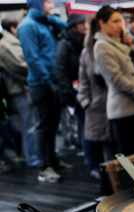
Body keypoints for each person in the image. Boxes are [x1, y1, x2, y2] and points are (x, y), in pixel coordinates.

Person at [18, 0, 73, 183]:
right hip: (42, 84)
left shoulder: (44, 23)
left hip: (52, 82)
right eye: (48, 1)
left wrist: (51, 19)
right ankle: (44, 167)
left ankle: (53, 161)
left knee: (52, 124)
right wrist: (47, 81)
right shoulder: (28, 26)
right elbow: (32, 57)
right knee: (43, 127)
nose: (52, 4)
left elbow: (67, 28)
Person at [93, 6, 134, 156]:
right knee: (128, 154)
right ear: (102, 23)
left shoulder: (118, 43)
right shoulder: (102, 46)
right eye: (115, 21)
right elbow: (117, 79)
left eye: (120, 21)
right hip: (123, 108)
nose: (120, 26)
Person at [78, 18, 116, 180]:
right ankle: (98, 171)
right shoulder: (87, 52)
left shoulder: (114, 47)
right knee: (94, 140)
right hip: (96, 105)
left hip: (115, 104)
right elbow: (83, 81)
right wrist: (86, 102)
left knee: (115, 147)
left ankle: (114, 176)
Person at [0, 17, 39, 167]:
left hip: (24, 88)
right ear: (12, 28)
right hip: (20, 89)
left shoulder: (12, 42)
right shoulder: (6, 45)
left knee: (31, 125)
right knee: (29, 126)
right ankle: (33, 157)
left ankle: (33, 154)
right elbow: (19, 67)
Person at [55, 14, 88, 155]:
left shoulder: (85, 41)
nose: (85, 25)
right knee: (80, 121)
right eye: (82, 23)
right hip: (73, 90)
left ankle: (83, 147)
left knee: (84, 122)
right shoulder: (65, 44)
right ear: (74, 25)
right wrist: (68, 95)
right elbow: (62, 72)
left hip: (83, 87)